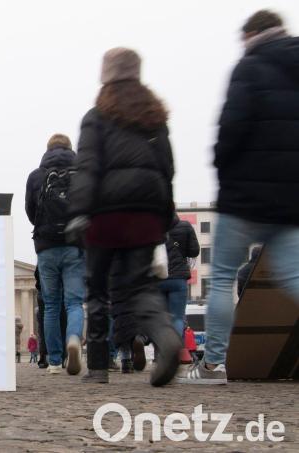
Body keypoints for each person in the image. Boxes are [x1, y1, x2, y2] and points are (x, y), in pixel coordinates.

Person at [180, 10, 299, 384]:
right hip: (291, 197)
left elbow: (231, 127)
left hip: (244, 196)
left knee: (222, 280)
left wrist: (221, 165)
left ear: (251, 34)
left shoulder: (248, 68)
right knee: (296, 276)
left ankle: (213, 364)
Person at [66, 47, 182, 386]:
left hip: (105, 214)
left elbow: (87, 166)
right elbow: (167, 168)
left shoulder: (96, 116)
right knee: (140, 286)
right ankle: (165, 336)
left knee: (97, 289)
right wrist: (164, 212)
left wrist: (78, 211)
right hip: (145, 213)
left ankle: (99, 368)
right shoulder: (154, 117)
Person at [25, 133, 85, 375]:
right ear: (70, 149)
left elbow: (30, 211)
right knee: (74, 302)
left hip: (46, 245)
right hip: (74, 244)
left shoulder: (36, 176)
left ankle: (54, 361)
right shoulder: (82, 174)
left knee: (50, 305)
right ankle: (73, 339)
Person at [160, 217, 200, 351]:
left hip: (158, 277)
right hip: (178, 278)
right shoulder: (185, 226)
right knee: (177, 317)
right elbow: (194, 251)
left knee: (160, 318)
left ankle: (160, 353)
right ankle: (175, 351)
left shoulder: (152, 226)